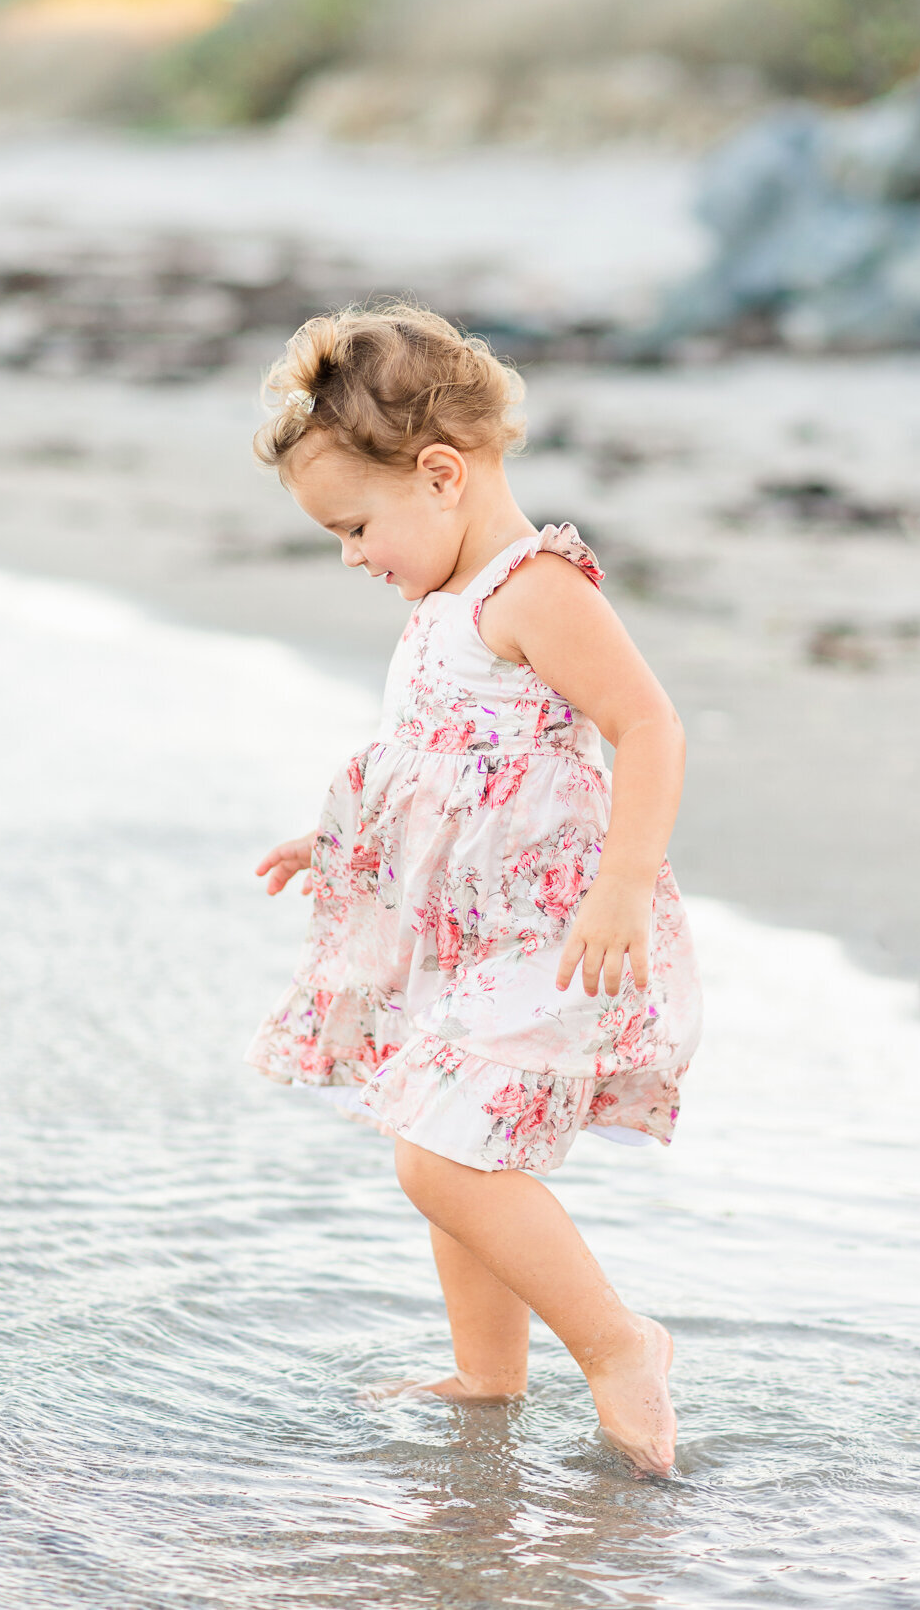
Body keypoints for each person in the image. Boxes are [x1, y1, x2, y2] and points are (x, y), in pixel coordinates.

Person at [245, 302, 703, 1476]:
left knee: (439, 1153)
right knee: (448, 1145)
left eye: (355, 525)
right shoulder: (445, 601)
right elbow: (426, 767)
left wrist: (624, 883)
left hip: (548, 932)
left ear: (441, 475)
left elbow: (647, 724)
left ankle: (616, 1342)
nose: (353, 555)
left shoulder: (534, 588)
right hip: (460, 936)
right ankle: (490, 1372)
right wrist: (333, 839)